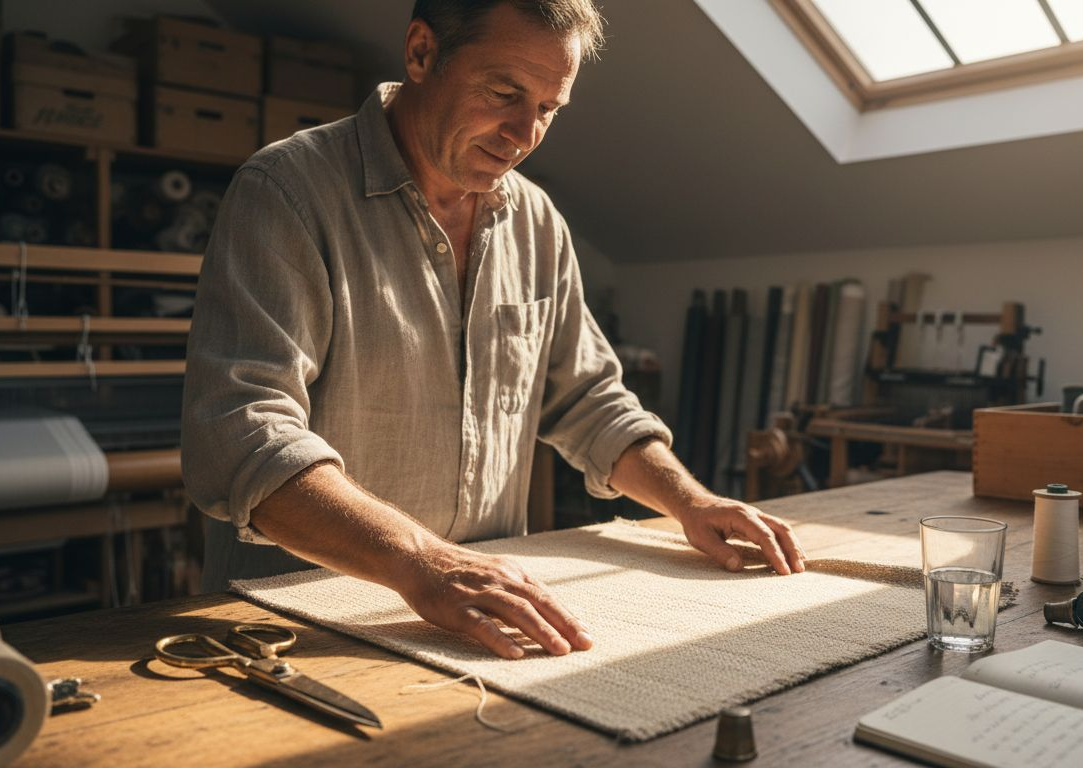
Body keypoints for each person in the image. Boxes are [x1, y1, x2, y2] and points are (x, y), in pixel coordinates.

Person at [181, 0, 805, 660]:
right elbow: (241, 433)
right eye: (504, 92)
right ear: (421, 53)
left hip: (481, 626)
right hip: (295, 628)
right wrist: (422, 561)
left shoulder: (537, 222)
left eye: (547, 109)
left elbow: (588, 400)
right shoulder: (287, 191)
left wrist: (690, 501)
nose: (523, 132)